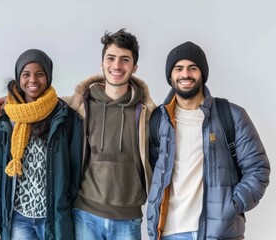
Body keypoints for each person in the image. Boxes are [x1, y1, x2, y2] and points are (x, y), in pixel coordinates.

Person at [146, 41, 271, 240]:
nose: (185, 74)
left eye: (192, 68)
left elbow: (258, 169)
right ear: (170, 75)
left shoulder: (231, 115)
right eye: (178, 68)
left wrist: (232, 205)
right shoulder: (156, 121)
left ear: (202, 73)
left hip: (220, 234)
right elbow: (154, 171)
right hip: (169, 232)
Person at [63, 29, 156, 240]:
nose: (117, 66)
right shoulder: (79, 104)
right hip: (85, 213)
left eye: (125, 60)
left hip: (128, 217)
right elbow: (40, 102)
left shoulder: (148, 113)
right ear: (102, 63)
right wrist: (12, 96)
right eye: (111, 58)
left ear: (135, 67)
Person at [0, 49, 83, 240]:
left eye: (40, 74)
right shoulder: (7, 120)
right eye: (26, 74)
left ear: (49, 76)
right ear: (18, 77)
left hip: (53, 218)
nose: (33, 80)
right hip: (18, 218)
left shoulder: (66, 118)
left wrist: (63, 203)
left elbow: (76, 170)